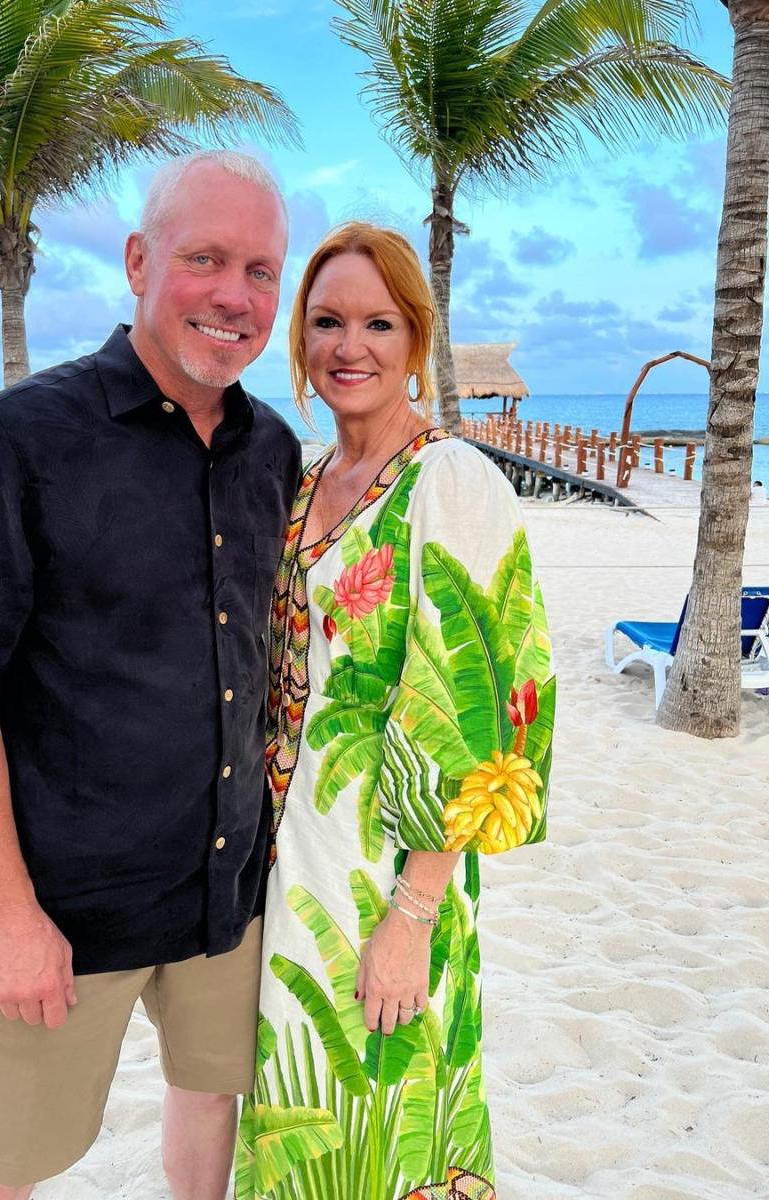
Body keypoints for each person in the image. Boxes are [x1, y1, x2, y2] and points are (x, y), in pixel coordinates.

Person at [0, 150, 301, 1200]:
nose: (235, 298)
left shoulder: (273, 449)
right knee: (1, 1169)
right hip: (66, 909)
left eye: (260, 270)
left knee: (211, 1109)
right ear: (140, 261)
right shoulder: (20, 436)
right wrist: (10, 915)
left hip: (226, 895)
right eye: (206, 259)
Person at [236, 224, 556, 1200]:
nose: (350, 346)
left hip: (389, 887)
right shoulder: (299, 486)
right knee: (304, 1137)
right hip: (291, 875)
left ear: (417, 340)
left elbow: (485, 721)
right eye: (328, 321)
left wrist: (412, 916)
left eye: (379, 322)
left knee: (389, 1134)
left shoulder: (449, 483)